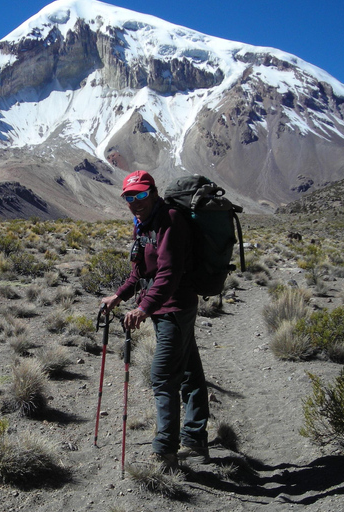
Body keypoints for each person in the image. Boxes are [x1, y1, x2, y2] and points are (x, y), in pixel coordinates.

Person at [101, 170, 210, 471]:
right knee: (189, 371)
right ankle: (196, 439)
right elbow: (140, 272)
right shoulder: (144, 224)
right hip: (163, 309)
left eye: (140, 195)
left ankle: (166, 452)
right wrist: (119, 296)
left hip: (175, 308)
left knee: (162, 376)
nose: (134, 202)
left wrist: (144, 308)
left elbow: (169, 273)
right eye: (128, 197)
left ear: (153, 192)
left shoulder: (171, 220)